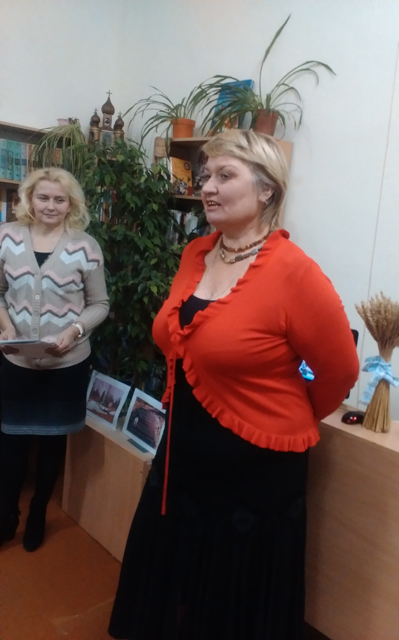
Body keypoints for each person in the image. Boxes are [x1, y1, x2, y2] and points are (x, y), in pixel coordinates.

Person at [108, 130, 359, 640]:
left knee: (232, 597)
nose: (207, 187)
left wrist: (283, 414)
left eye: (225, 175)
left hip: (256, 466)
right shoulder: (196, 254)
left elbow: (340, 372)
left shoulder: (295, 272)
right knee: (177, 576)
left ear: (267, 190)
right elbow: (178, 340)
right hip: (184, 452)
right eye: (206, 176)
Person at [0, 168, 109, 552]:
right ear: (29, 199)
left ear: (70, 204)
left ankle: (38, 513)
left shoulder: (86, 247)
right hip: (16, 362)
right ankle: (6, 514)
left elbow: (99, 304)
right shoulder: (6, 237)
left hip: (67, 364)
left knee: (51, 445)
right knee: (10, 443)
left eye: (59, 199)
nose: (50, 205)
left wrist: (75, 330)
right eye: (43, 197)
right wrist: (5, 327)